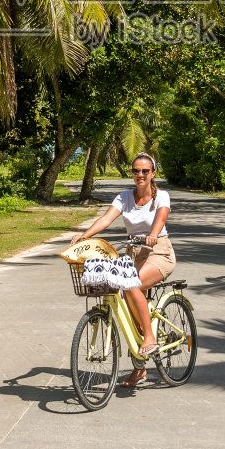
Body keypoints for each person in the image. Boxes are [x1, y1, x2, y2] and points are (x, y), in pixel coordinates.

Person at [69, 152, 175, 387]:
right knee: (126, 302)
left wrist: (153, 235)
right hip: (133, 254)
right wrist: (84, 236)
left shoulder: (162, 197)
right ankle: (139, 367)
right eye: (136, 171)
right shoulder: (125, 197)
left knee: (131, 285)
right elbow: (106, 219)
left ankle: (149, 336)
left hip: (159, 252)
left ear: (153, 173)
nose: (140, 175)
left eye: (145, 171)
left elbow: (160, 218)